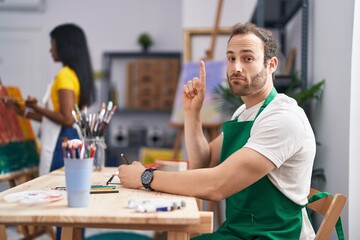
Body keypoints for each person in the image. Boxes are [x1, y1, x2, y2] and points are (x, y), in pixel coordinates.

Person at [118, 22, 316, 239]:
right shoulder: (244, 112)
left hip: (274, 235)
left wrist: (145, 177)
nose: (236, 67)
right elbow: (204, 160)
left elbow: (217, 185)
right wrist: (192, 114)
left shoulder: (282, 118)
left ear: (271, 65)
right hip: (240, 231)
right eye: (231, 58)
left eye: (247, 58)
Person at [6, 23, 95, 176]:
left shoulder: (64, 75)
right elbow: (55, 119)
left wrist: (35, 106)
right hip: (67, 138)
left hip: (62, 141)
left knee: (56, 188)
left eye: (52, 44)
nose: (50, 49)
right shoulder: (74, 74)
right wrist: (25, 112)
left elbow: (66, 119)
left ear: (64, 46)